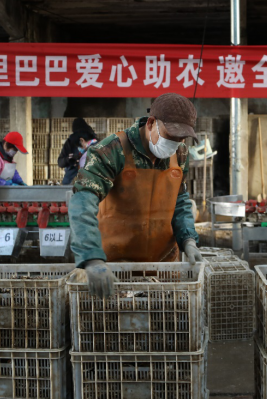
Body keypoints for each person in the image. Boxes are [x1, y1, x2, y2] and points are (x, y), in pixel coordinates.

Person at [69, 93, 203, 298]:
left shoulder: (181, 153)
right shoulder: (112, 150)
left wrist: (188, 240)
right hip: (114, 270)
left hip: (163, 270)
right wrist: (92, 258)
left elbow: (179, 200)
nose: (176, 143)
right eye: (171, 135)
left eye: (182, 138)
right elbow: (83, 200)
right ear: (151, 123)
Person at [59, 118, 98, 185]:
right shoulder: (70, 142)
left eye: (79, 146)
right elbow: (60, 162)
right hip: (72, 181)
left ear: (82, 140)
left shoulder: (95, 148)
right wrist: (69, 159)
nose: (79, 148)